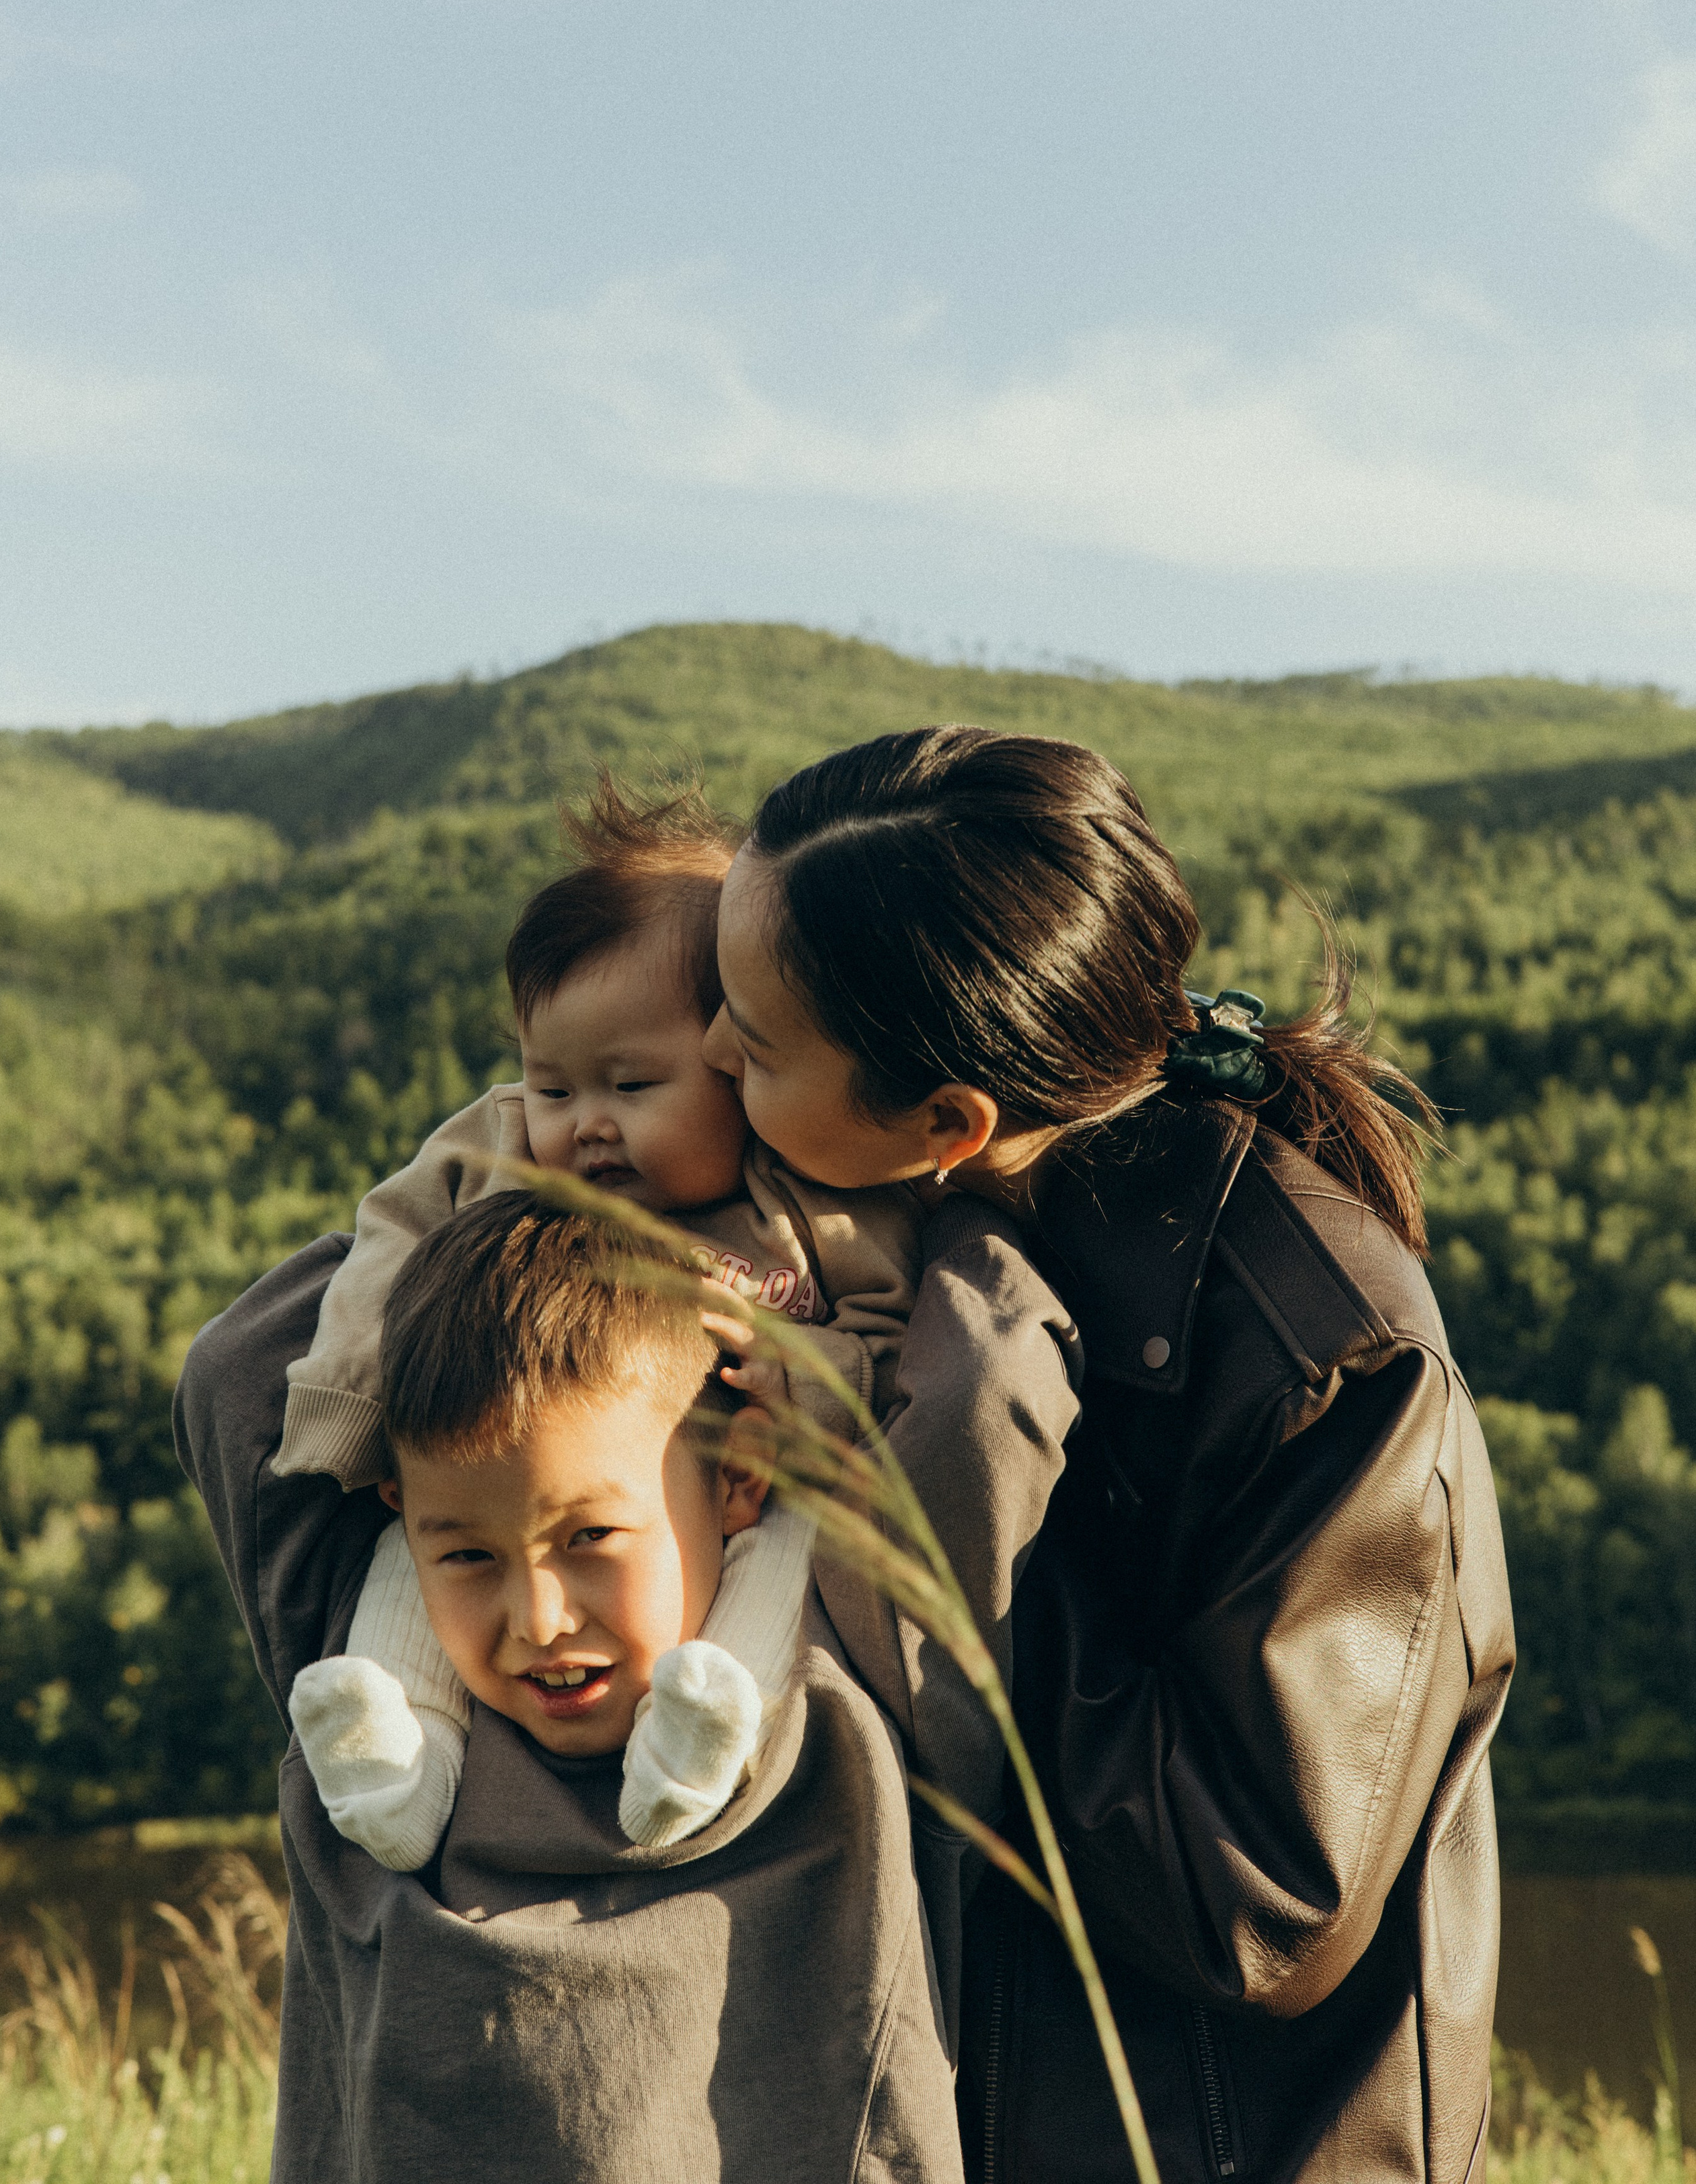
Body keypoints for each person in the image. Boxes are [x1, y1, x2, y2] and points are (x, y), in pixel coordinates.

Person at [701, 725, 1516, 2184]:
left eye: (754, 1046)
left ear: (949, 1122)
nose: (708, 1051)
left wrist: (901, 1517)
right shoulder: (951, 1228)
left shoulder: (1325, 1362)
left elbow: (1257, 1904)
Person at [175, 1189, 971, 2184]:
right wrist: (530, 1159)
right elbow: (234, 1369)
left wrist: (711, 1186)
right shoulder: (366, 1740)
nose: (539, 1621)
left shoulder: (847, 1689)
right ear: (400, 1522)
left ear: (738, 1480)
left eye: (591, 1537)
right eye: (466, 1556)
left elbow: (982, 1393)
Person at [271, 778, 928, 1869]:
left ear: (735, 1062)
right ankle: (398, 1748)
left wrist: (808, 1377)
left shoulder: (803, 1197)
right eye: (554, 1089)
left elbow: (891, 1331)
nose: (588, 1128)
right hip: (507, 1454)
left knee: (789, 1555)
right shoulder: (502, 1149)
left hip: (747, 1484)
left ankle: (704, 1726)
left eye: (631, 1084)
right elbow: (392, 1231)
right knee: (431, 1546)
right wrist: (357, 1402)